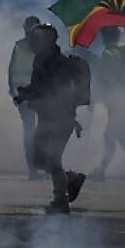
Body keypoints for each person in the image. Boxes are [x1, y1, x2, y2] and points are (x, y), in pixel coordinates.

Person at [15, 23, 89, 214]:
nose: (32, 43)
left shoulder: (59, 64)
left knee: (53, 159)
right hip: (48, 116)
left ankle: (60, 201)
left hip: (61, 117)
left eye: (35, 40)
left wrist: (28, 93)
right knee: (39, 159)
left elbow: (51, 89)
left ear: (46, 41)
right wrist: (26, 94)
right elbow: (38, 86)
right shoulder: (41, 60)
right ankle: (69, 179)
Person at [91, 26, 125, 181]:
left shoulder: (108, 53)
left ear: (106, 37)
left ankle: (101, 171)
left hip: (116, 99)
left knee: (111, 135)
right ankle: (101, 170)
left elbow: (105, 78)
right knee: (120, 135)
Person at [9, 16, 43, 179]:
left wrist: (13, 91)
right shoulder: (41, 47)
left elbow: (11, 69)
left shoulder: (19, 45)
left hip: (25, 93)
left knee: (31, 131)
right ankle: (36, 169)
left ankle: (34, 169)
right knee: (36, 131)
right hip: (33, 94)